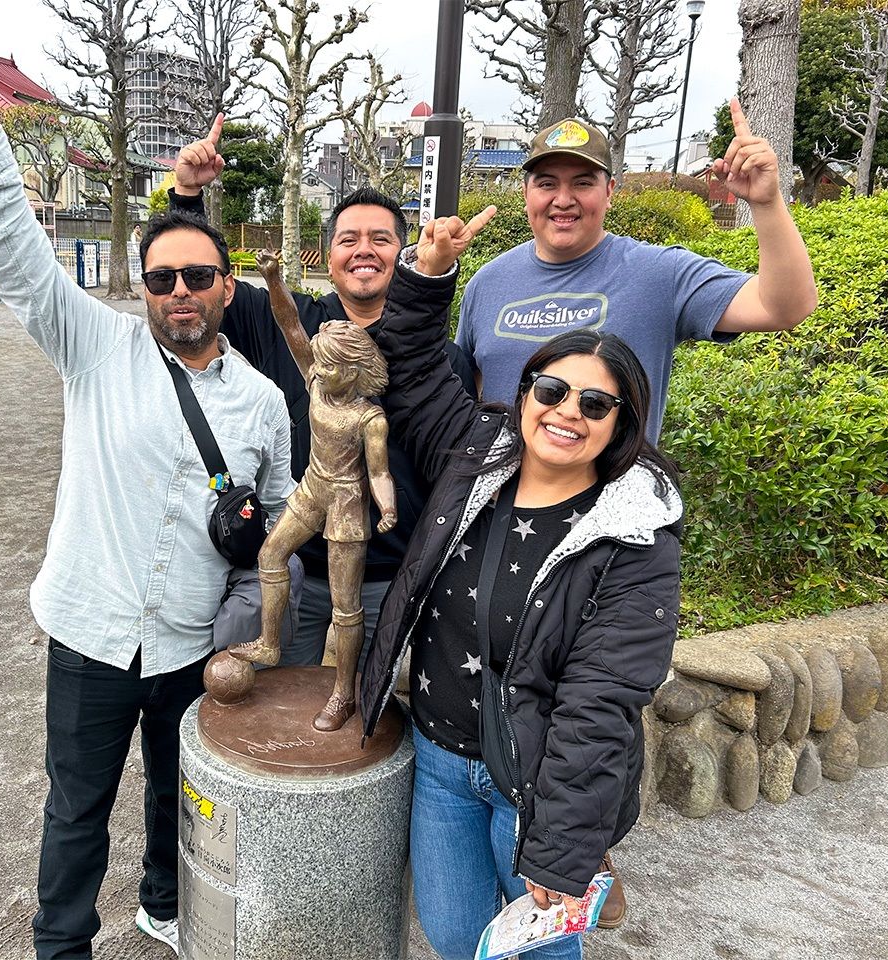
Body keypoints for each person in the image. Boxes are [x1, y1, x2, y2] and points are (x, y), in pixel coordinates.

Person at [0, 21, 293, 959]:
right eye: (161, 276)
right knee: (76, 803)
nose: (179, 289)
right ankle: (62, 943)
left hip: (186, 639)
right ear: (141, 287)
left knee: (179, 790)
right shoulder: (95, 348)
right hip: (93, 627)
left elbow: (280, 514)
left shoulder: (262, 401)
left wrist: (260, 601)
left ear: (228, 286)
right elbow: (18, 262)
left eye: (198, 275)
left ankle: (163, 903)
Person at [358, 210, 683, 960]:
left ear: (621, 422)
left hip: (533, 786)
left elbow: (602, 697)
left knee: (531, 953)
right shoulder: (477, 452)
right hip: (439, 764)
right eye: (551, 389)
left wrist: (563, 847)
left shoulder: (635, 536)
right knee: (452, 935)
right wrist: (428, 274)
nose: (568, 411)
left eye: (595, 404)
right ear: (526, 391)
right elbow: (406, 363)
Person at [169, 119, 476, 665]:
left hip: (395, 580)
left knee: (371, 727)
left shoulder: (438, 359)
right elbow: (200, 284)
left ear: (401, 254)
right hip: (299, 571)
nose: (364, 250)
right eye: (348, 239)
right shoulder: (302, 331)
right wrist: (188, 197)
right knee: (283, 717)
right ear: (329, 254)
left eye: (381, 239)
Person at [456, 108, 818, 442]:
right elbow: (467, 397)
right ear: (526, 193)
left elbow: (784, 307)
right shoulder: (486, 284)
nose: (563, 199)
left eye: (582, 184)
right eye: (547, 184)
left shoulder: (659, 273)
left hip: (617, 508)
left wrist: (767, 203)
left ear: (610, 191)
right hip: (496, 507)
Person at [230, 250, 397, 731]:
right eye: (318, 366)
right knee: (270, 554)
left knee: (346, 609)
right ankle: (269, 641)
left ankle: (343, 691)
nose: (320, 373)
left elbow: (380, 473)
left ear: (356, 369)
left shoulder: (371, 417)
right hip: (312, 488)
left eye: (331, 368)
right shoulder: (319, 381)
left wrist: (385, 509)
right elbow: (290, 327)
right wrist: (274, 279)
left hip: (347, 503)